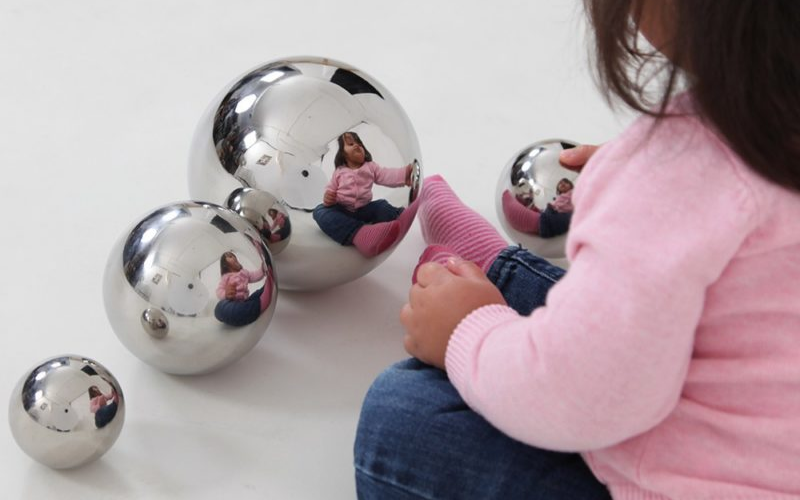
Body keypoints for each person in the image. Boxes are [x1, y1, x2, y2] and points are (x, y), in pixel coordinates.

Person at [354, 1, 800, 499]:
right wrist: (643, 202)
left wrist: (466, 333)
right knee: (626, 303)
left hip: (664, 460)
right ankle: (493, 268)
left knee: (403, 417)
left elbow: (576, 397)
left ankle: (477, 288)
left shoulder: (679, 170)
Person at [313, 132, 417, 257]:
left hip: (364, 208)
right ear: (343, 153)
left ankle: (400, 219)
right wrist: (328, 198)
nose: (357, 145)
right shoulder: (340, 171)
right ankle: (361, 235)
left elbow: (385, 175)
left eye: (359, 143)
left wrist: (404, 174)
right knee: (319, 211)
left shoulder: (370, 167)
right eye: (351, 144)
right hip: (341, 209)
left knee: (381, 205)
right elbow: (331, 188)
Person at [502, 177, 576, 237]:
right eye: (560, 183)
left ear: (571, 186)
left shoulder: (573, 193)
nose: (562, 183)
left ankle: (538, 221)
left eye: (566, 182)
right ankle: (532, 208)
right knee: (541, 212)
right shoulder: (560, 197)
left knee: (544, 219)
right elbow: (557, 208)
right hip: (554, 214)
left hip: (561, 217)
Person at [214, 251, 272, 327]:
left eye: (235, 256)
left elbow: (255, 275)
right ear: (225, 264)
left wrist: (262, 269)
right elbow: (219, 290)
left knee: (258, 292)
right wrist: (225, 294)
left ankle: (269, 286)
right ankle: (258, 305)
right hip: (230, 302)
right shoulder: (226, 277)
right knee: (220, 308)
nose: (234, 258)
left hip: (244, 302)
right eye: (230, 256)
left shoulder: (244, 273)